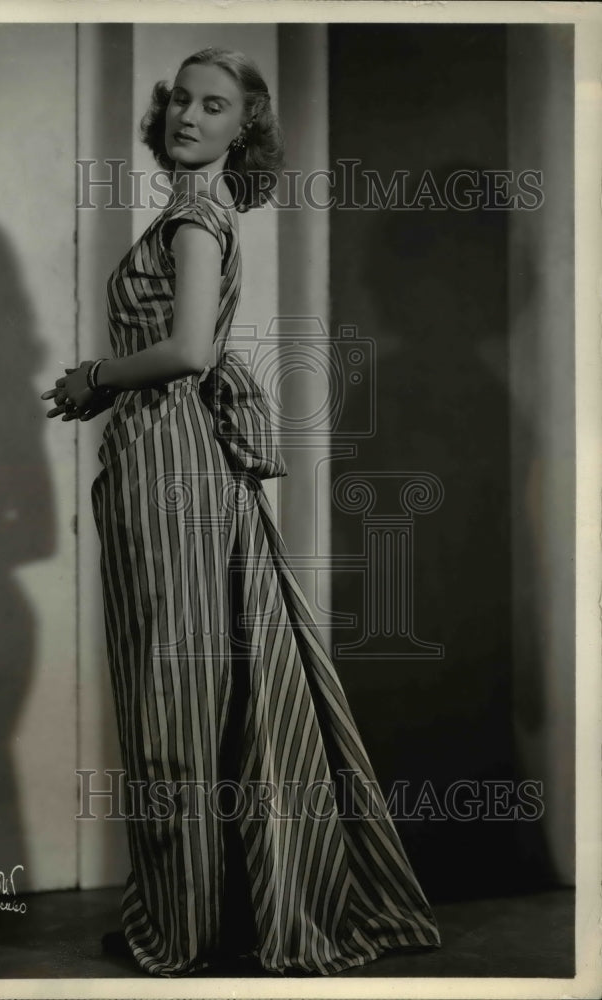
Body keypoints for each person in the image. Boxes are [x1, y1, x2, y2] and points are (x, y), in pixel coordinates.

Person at [41, 46, 441, 979]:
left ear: (242, 127)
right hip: (176, 463)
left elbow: (185, 351)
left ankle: (180, 931)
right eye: (180, 97)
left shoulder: (192, 217)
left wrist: (93, 378)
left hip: (168, 465)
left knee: (170, 699)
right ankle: (198, 916)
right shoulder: (201, 212)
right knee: (193, 689)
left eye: (213, 105)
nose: (187, 114)